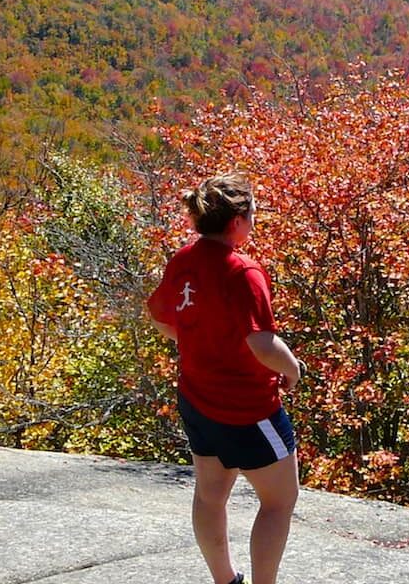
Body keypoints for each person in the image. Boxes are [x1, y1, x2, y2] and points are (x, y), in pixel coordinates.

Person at [148, 173, 304, 584]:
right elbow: (263, 343)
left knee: (210, 494)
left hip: (197, 399)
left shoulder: (183, 260)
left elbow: (161, 317)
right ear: (236, 221)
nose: (254, 222)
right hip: (248, 409)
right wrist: (292, 370)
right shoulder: (243, 272)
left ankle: (225, 580)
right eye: (252, 215)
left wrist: (199, 342)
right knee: (279, 500)